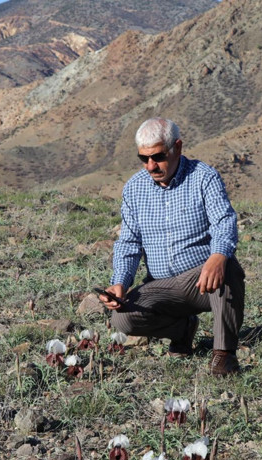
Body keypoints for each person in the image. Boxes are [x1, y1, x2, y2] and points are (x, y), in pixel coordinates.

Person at [99, 117, 245, 376]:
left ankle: (224, 355)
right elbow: (129, 241)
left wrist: (218, 255)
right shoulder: (134, 188)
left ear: (177, 147)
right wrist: (120, 282)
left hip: (202, 279)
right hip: (161, 285)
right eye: (144, 159)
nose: (151, 166)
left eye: (158, 156)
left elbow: (224, 221)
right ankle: (182, 329)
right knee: (122, 318)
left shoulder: (203, 177)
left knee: (228, 267)